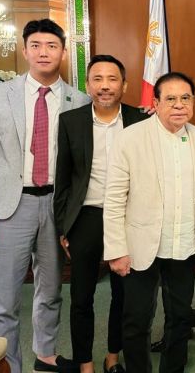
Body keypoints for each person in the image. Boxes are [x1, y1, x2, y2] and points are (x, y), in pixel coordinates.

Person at [0, 19, 90, 373]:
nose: (43, 52)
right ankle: (6, 364)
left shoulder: (78, 100)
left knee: (51, 290)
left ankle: (45, 353)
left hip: (57, 207)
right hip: (10, 207)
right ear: (25, 50)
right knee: (4, 298)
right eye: (36, 45)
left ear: (63, 52)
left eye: (51, 45)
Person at [102, 71, 195, 373]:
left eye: (186, 98)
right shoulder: (130, 138)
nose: (179, 105)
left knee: (179, 317)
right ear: (156, 102)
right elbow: (114, 200)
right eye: (171, 99)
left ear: (193, 102)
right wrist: (116, 249)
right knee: (137, 319)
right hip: (139, 247)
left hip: (185, 245)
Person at [54, 55, 148, 373]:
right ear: (88, 84)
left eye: (112, 79)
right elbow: (63, 179)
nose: (105, 86)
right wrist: (62, 227)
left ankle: (112, 356)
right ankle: (84, 362)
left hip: (126, 217)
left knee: (125, 293)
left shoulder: (141, 120)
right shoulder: (71, 122)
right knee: (82, 296)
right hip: (87, 217)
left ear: (124, 84)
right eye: (97, 79)